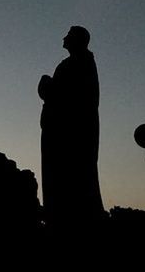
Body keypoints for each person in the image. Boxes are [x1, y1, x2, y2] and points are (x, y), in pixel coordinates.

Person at [38, 26, 104, 231]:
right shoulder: (74, 63)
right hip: (60, 130)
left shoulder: (79, 64)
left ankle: (69, 222)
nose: (64, 38)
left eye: (68, 35)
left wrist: (47, 85)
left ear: (77, 40)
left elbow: (71, 98)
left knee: (71, 180)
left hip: (69, 135)